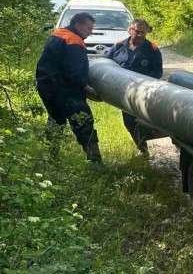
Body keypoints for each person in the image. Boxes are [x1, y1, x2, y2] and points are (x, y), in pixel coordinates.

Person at [36, 12, 102, 163]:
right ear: (78, 25)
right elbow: (73, 72)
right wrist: (87, 88)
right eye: (88, 28)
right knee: (83, 122)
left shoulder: (58, 34)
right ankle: (96, 162)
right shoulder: (74, 41)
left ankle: (49, 158)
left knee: (56, 119)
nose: (90, 32)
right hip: (66, 91)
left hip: (47, 88)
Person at [105, 18, 163, 154]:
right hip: (122, 91)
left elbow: (158, 72)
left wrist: (142, 82)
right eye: (137, 31)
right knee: (129, 122)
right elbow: (106, 63)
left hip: (143, 91)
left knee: (145, 122)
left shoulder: (152, 49)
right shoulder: (118, 46)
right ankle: (142, 148)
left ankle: (145, 145)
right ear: (130, 30)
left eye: (143, 32)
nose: (140, 35)